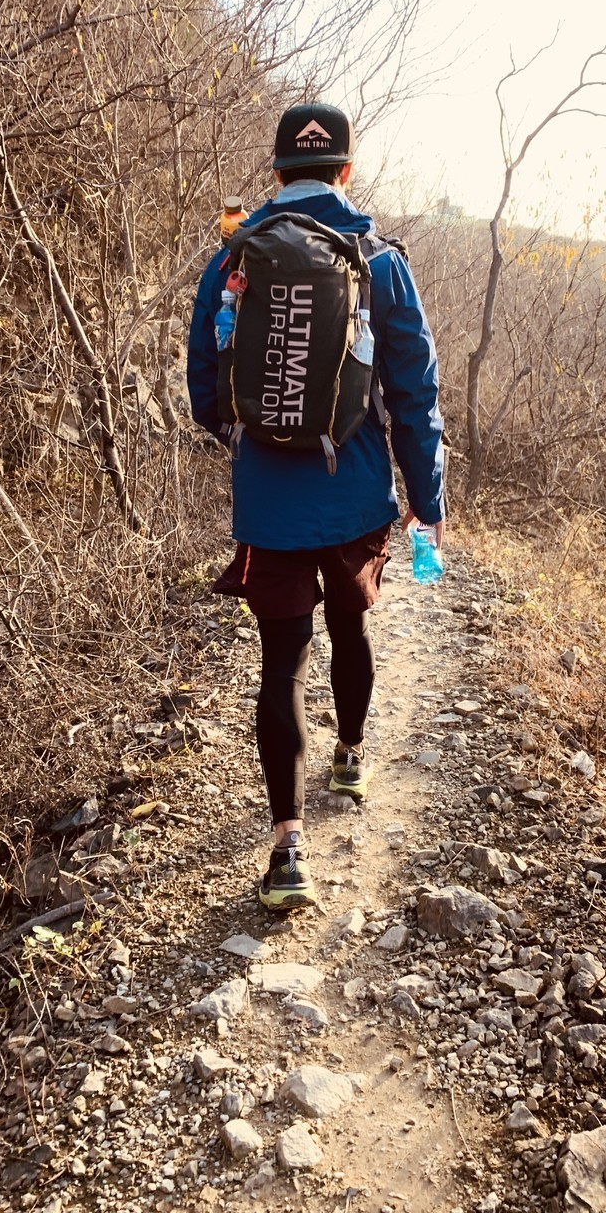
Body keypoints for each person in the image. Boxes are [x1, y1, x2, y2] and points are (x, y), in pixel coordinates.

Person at [186, 102, 445, 909]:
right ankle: (353, 753)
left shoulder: (232, 260)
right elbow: (415, 395)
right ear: (346, 171)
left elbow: (205, 395)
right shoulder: (380, 262)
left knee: (282, 664)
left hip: (271, 505)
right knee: (352, 629)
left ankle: (287, 850)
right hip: (357, 495)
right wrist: (426, 500)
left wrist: (256, 435)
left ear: (275, 174)